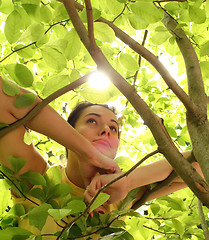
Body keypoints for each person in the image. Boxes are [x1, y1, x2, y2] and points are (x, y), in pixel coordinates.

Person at [0, 77, 202, 239]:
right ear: (68, 133)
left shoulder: (124, 196)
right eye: (92, 121)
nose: (106, 129)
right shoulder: (37, 179)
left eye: (113, 128)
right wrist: (88, 153)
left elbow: (203, 164)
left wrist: (128, 180)